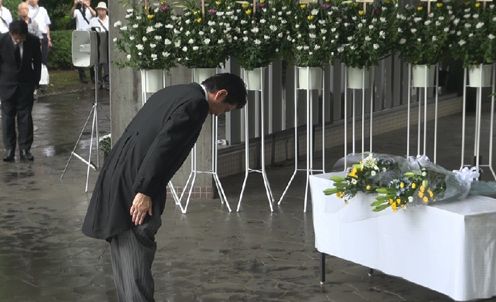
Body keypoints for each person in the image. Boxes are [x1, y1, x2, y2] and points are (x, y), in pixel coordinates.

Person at [82, 73, 247, 301]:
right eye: (226, 109)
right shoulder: (196, 104)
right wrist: (145, 190)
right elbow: (164, 146)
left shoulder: (173, 91)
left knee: (124, 253)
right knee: (135, 255)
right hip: (136, 183)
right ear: (220, 94)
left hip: (120, 174)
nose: (219, 115)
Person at [0, 20, 41, 162]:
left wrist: (36, 82)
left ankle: (25, 149)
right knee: (7, 118)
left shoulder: (33, 41)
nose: (18, 40)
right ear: (11, 34)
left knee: (25, 117)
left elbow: (37, 62)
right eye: (16, 37)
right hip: (6, 84)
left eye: (21, 38)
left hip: (25, 85)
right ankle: (9, 149)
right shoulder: (2, 40)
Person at [71, 0, 95, 84]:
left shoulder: (90, 10)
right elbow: (71, 15)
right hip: (80, 34)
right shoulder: (77, 11)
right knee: (81, 56)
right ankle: (82, 77)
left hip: (88, 34)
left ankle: (93, 76)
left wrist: (88, 6)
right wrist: (74, 5)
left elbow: (94, 14)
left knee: (91, 55)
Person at [89, 2, 109, 89]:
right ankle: (98, 82)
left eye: (102, 10)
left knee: (107, 62)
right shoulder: (93, 21)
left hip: (107, 43)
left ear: (105, 11)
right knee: (97, 63)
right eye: (99, 10)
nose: (100, 11)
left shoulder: (110, 20)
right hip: (96, 43)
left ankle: (107, 81)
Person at [27, 0, 50, 70]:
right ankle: (33, 78)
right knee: (32, 58)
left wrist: (49, 38)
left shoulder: (43, 10)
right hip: (31, 36)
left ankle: (43, 78)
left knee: (43, 59)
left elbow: (47, 25)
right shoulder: (26, 9)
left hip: (43, 36)